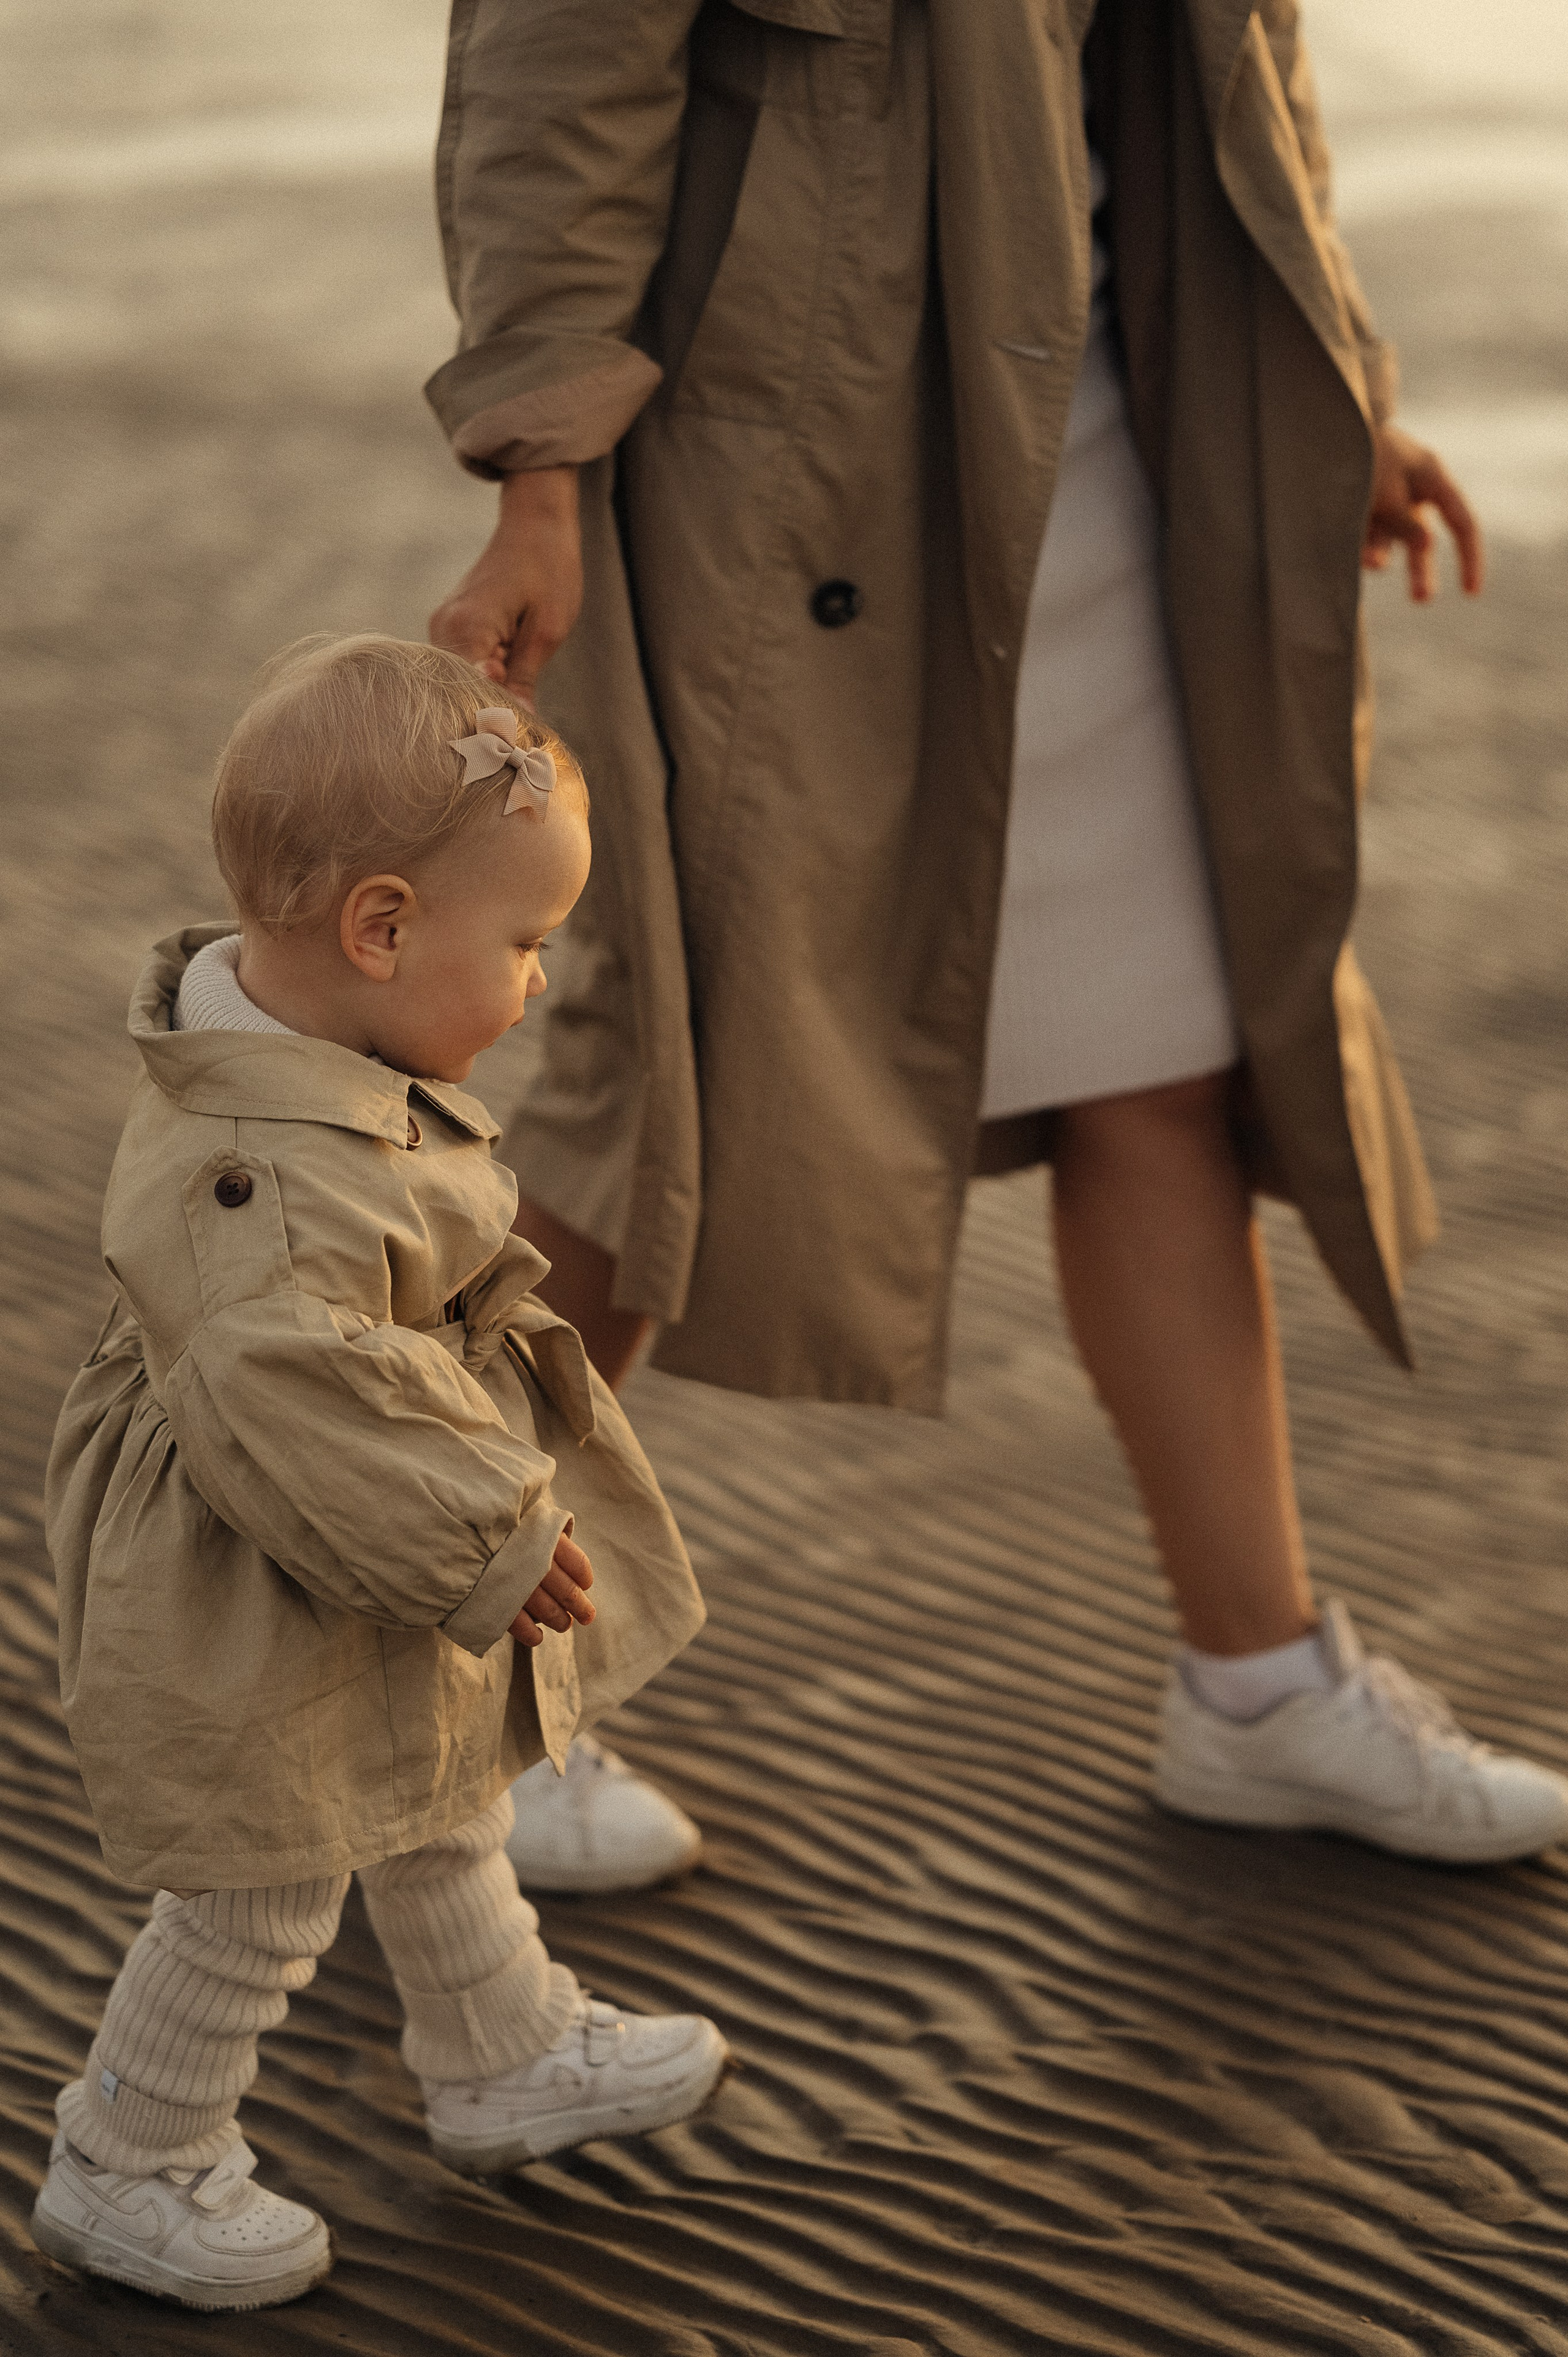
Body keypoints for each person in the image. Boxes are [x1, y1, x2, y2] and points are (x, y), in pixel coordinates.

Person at [426, 1, 1568, 1863]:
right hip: (795, 475)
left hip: (1130, 445)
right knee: (678, 1078)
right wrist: (539, 477)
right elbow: (558, 89)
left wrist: (1339, 383)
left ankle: (1260, 1689)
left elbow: (1246, 70)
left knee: (1167, 1062)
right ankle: (441, 1678)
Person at [31, 638, 728, 2312]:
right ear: (385, 928)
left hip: (338, 1547)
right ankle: (131, 2159)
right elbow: (306, 1406)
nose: (541, 980)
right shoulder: (256, 1188)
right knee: (267, 1880)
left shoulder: (314, 1068)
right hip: (260, 1571)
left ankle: (500, 2045)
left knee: (433, 1786)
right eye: (527, 943)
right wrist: (488, 1533)